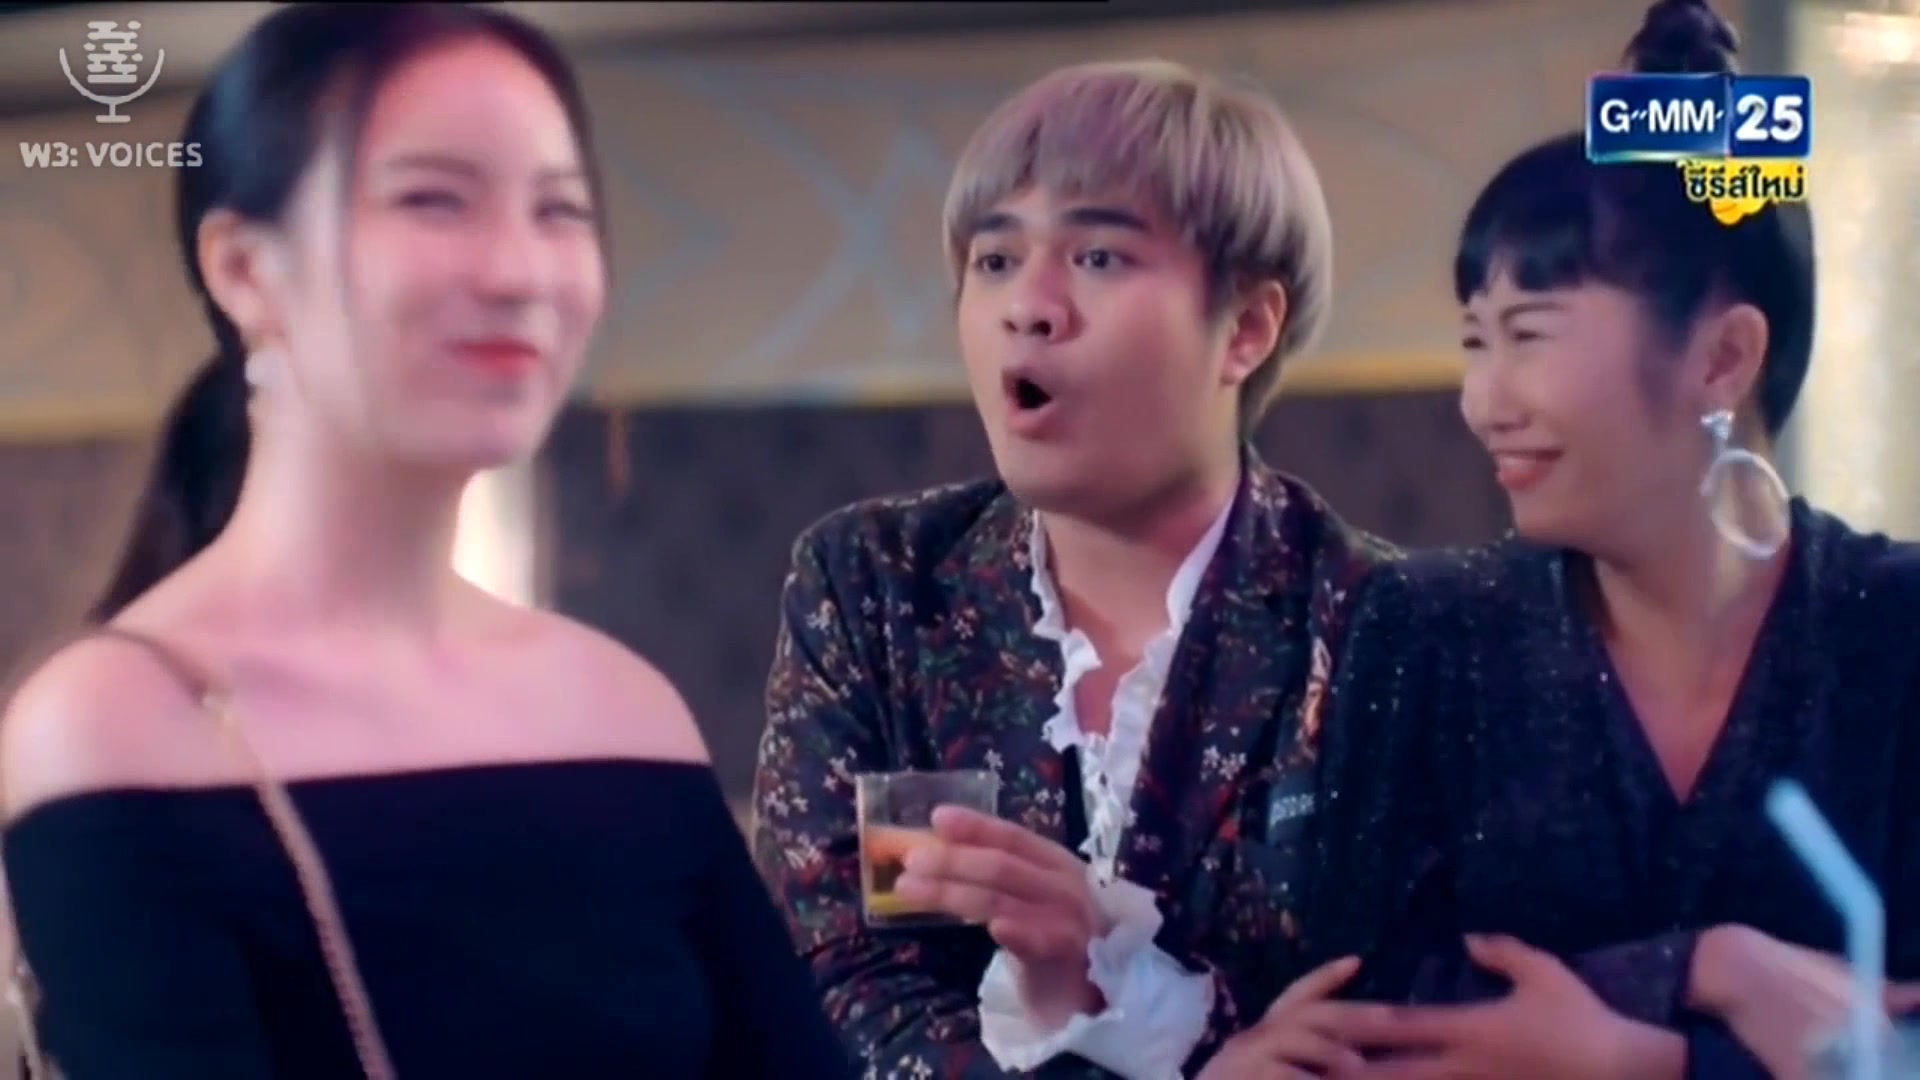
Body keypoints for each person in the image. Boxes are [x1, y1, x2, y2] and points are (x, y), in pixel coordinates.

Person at [0, 6, 852, 1079]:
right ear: (245, 270)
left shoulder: (621, 706)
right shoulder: (116, 720)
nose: (519, 271)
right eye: (434, 200)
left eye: (560, 210)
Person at [749, 57, 1436, 1080]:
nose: (1029, 307)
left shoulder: (1388, 625)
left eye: (1100, 258)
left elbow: (1405, 1007)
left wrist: (1139, 997)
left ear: (1245, 329)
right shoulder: (875, 591)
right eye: (995, 260)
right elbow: (836, 981)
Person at [1326, 2, 1920, 1077]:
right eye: (1474, 341)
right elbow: (1356, 1002)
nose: (1481, 403)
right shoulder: (1430, 630)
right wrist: (1705, 969)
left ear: (1723, 360)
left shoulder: (1897, 627)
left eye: (1528, 335)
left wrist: (1649, 1061)